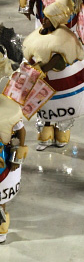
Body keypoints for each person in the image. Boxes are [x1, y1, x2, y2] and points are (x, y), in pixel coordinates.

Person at [22, 0, 84, 151]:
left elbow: (60, 59)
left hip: (63, 83)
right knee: (45, 107)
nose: (43, 20)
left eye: (47, 19)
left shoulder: (65, 38)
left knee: (61, 108)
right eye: (44, 18)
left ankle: (61, 133)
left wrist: (44, 68)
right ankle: (45, 135)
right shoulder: (39, 34)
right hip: (43, 83)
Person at [0, 95, 28, 244]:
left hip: (2, 158)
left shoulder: (9, 110)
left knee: (0, 198)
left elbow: (20, 131)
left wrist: (18, 152)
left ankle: (1, 226)